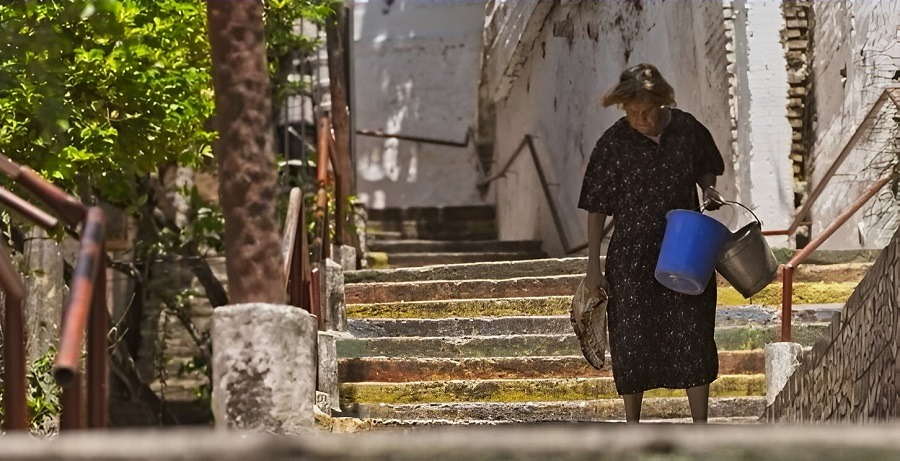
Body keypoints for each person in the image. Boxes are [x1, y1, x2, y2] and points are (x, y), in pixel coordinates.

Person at [578, 63, 726, 423]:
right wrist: (594, 265)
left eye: (645, 111)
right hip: (631, 253)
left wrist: (707, 189)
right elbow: (596, 207)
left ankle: (700, 423)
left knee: (694, 328)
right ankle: (632, 423)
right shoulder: (613, 143)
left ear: (661, 102)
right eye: (631, 113)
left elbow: (707, 165)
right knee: (631, 337)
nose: (639, 119)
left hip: (686, 247)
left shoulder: (687, 129)